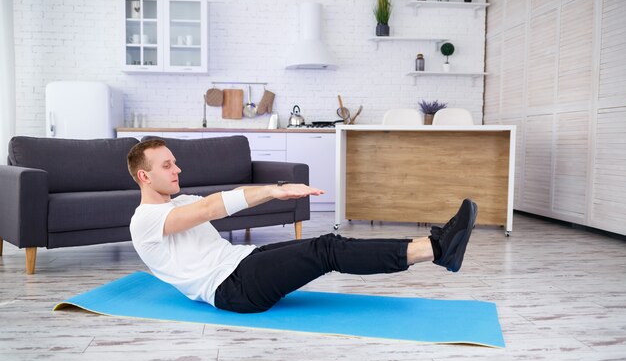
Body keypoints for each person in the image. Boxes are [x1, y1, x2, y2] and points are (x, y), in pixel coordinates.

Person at [128, 139, 478, 314]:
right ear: (145, 176)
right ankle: (437, 249)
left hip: (243, 262)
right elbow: (211, 207)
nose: (178, 170)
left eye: (175, 163)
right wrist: (271, 190)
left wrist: (276, 193)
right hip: (231, 288)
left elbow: (227, 196)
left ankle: (437, 247)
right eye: (167, 165)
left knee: (328, 244)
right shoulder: (144, 221)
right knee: (326, 250)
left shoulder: (181, 201)